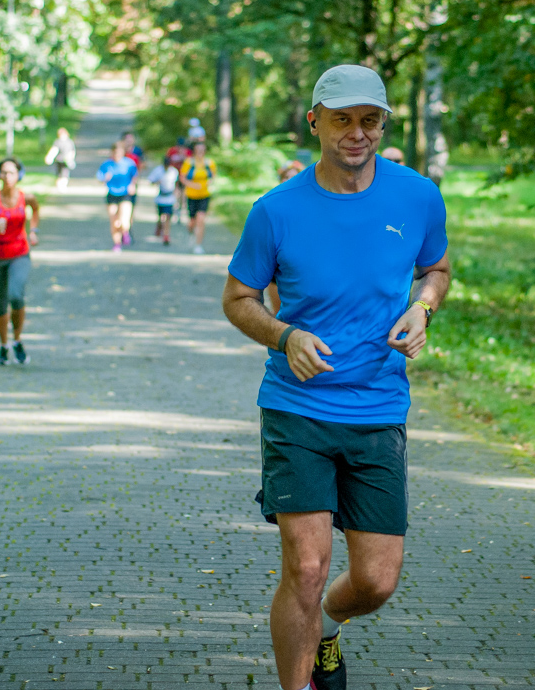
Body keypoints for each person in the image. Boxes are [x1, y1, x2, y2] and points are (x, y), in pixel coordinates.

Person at [222, 64, 451, 690]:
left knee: (377, 580)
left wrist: (422, 305)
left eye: (369, 121)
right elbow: (239, 298)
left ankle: (325, 624)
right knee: (307, 566)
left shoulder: (418, 196)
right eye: (343, 120)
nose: (357, 133)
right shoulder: (276, 210)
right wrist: (285, 335)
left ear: (383, 124)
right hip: (297, 408)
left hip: (378, 406)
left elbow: (437, 269)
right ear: (315, 121)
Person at [0, 157, 40, 366]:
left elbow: (36, 211)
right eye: (4, 172)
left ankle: (18, 339)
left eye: (12, 172)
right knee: (0, 303)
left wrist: (33, 231)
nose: (7, 176)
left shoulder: (27, 198)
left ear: (19, 175)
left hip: (19, 253)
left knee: (16, 295)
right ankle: (4, 345)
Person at [265, 160, 306, 314]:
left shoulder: (313, 206)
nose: (289, 180)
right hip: (277, 268)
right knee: (279, 316)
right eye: (286, 177)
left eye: (294, 177)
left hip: (303, 267)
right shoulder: (271, 204)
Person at [97, 141, 138, 250]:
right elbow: (100, 178)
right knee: (114, 221)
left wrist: (132, 185)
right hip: (112, 194)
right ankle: (117, 243)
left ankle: (125, 232)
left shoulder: (129, 163)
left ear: (123, 153)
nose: (117, 156)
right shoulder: (106, 164)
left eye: (119, 153)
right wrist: (105, 178)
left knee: (124, 222)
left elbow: (134, 176)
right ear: (112, 153)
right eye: (115, 153)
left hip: (125, 194)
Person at [180, 138, 216, 255]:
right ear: (195, 151)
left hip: (204, 195)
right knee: (192, 221)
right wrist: (192, 185)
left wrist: (208, 183)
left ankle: (198, 245)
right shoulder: (189, 163)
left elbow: (213, 176)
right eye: (198, 150)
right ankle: (191, 232)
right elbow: (182, 178)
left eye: (202, 150)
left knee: (201, 219)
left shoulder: (209, 163)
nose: (200, 152)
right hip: (191, 195)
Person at [148, 155, 180, 246]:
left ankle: (166, 235)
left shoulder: (174, 172)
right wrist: (157, 182)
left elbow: (176, 184)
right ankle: (159, 227)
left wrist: (177, 195)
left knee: (168, 216)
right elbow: (151, 180)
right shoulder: (158, 170)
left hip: (170, 198)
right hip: (161, 197)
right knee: (161, 216)